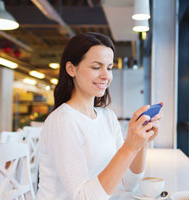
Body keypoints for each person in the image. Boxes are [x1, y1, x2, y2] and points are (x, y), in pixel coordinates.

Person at [36, 33, 163, 200]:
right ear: (71, 69)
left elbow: (129, 183)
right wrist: (129, 147)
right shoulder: (63, 121)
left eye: (109, 67)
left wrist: (141, 142)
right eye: (96, 67)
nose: (106, 75)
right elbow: (84, 197)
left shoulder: (107, 117)